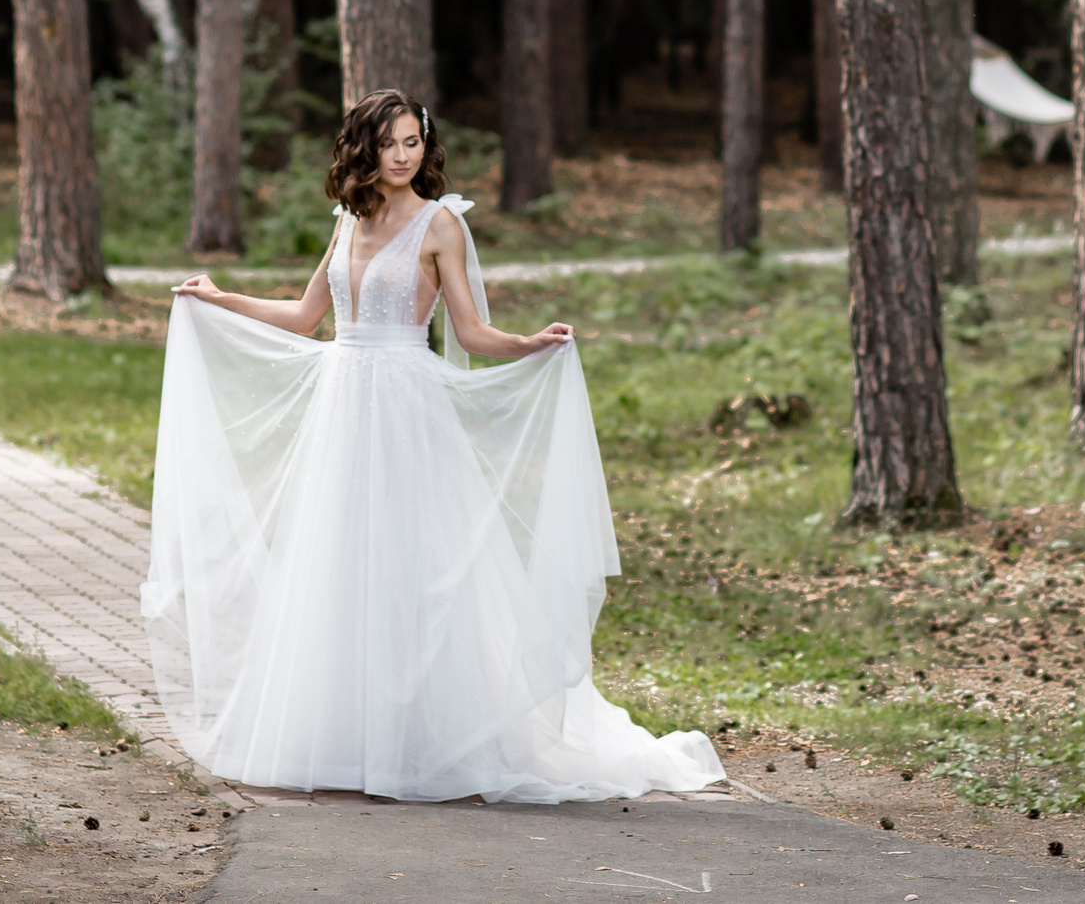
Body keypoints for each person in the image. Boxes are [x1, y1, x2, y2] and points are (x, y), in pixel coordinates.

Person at [140, 88, 724, 803]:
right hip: (343, 406)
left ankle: (426, 737)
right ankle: (344, 737)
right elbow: (304, 314)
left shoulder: (441, 224)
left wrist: (528, 344)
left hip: (406, 409)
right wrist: (219, 296)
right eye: (389, 143)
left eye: (413, 141)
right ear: (365, 147)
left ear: (426, 145)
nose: (402, 155)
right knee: (340, 561)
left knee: (415, 563)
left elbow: (472, 332)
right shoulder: (348, 220)